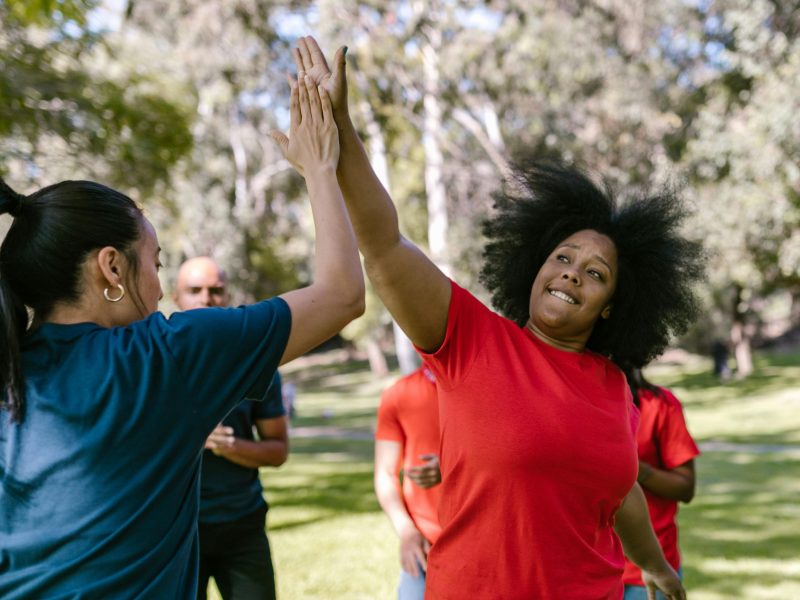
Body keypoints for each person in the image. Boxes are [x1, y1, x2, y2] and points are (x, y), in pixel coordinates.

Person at [290, 36, 705, 599]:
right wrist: (342, 132)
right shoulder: (472, 338)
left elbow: (620, 487)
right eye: (562, 257)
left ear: (611, 306)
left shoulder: (613, 389)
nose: (572, 273)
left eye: (596, 272)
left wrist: (654, 565)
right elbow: (385, 246)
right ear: (535, 267)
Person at [0, 76, 364, 598]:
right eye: (156, 262)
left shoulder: (9, 370)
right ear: (111, 267)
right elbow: (343, 294)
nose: (158, 286)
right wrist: (321, 168)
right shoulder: (166, 356)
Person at [173, 257, 288, 600]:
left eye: (216, 290)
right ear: (175, 296)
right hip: (178, 533)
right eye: (194, 291)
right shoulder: (153, 361)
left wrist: (230, 446)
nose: (206, 299)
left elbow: (278, 451)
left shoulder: (254, 365)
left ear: (228, 295)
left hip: (243, 527)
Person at [621, 367, 700, 600]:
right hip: (587, 565)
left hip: (648, 569)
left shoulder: (660, 403)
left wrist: (634, 467)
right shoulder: (576, 399)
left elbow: (685, 488)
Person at [374, 365, 441, 599]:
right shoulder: (398, 394)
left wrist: (455, 469)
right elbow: (385, 473)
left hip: (487, 546)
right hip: (424, 545)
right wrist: (407, 531)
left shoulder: (489, 384)